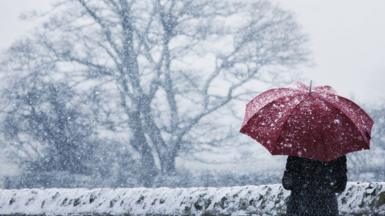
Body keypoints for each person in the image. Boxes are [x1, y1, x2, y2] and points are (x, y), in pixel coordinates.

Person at [282, 155, 347, 216]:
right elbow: (340, 186)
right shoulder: (335, 152)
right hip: (326, 208)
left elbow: (287, 184)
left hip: (298, 207)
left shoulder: (297, 151)